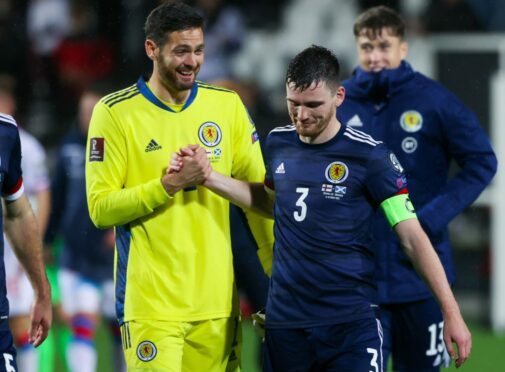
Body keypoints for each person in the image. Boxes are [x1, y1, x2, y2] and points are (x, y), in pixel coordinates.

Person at [171, 45, 472, 371]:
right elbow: (273, 203)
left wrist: (451, 312)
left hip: (349, 324)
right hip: (286, 325)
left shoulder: (371, 157)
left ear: (339, 96)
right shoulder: (279, 142)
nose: (301, 115)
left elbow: (412, 237)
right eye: (293, 104)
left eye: (313, 105)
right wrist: (209, 177)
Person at [84, 2, 274, 371]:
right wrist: (167, 185)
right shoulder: (114, 113)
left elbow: (261, 200)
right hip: (151, 308)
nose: (192, 61)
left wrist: (274, 278)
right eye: (181, 51)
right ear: (152, 49)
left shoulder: (227, 106)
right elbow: (100, 209)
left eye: (199, 50)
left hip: (217, 306)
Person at [336, 6, 497, 371]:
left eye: (384, 46)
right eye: (367, 47)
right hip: (359, 279)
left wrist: (433, 217)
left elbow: (483, 161)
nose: (375, 57)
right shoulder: (339, 102)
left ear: (403, 49)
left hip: (420, 278)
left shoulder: (434, 100)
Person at [44, 83, 125, 372]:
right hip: (76, 255)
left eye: (93, 111)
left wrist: (119, 229)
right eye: (84, 111)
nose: (87, 117)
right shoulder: (68, 148)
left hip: (113, 258)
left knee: (121, 329)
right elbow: (56, 197)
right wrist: (47, 239)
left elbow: (134, 196)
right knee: (81, 325)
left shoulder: (119, 147)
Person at [0, 80, 51, 372]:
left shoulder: (10, 136)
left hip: (10, 253)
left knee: (20, 320)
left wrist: (42, 290)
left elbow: (22, 210)